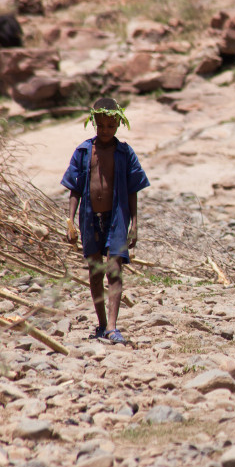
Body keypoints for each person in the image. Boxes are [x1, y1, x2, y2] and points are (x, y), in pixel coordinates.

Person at [61, 98, 150, 343]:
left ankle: (112, 326)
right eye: (101, 125)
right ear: (94, 124)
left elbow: (133, 189)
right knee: (95, 271)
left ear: (118, 125)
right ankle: (101, 324)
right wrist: (69, 220)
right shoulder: (83, 151)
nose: (106, 130)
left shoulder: (125, 153)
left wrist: (134, 223)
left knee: (114, 270)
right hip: (89, 217)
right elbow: (74, 189)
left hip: (117, 218)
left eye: (111, 126)